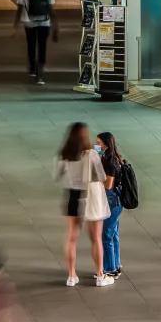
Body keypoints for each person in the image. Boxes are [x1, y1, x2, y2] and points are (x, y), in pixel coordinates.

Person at [54, 122, 110, 287]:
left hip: (72, 196)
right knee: (96, 239)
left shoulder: (64, 154)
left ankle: (72, 276)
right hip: (90, 198)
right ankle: (100, 275)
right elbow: (101, 176)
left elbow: (57, 176)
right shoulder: (91, 154)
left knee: (71, 238)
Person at [13, 0, 58, 85]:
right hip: (45, 22)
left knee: (31, 45)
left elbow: (19, 8)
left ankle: (32, 69)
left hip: (29, 22)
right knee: (42, 46)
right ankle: (40, 75)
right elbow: (51, 8)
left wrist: (15, 26)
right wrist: (56, 27)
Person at [96, 132, 125, 280]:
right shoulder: (113, 157)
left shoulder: (110, 161)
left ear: (106, 144)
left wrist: (95, 180)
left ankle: (110, 268)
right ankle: (116, 265)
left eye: (99, 143)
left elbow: (108, 185)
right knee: (113, 234)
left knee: (106, 235)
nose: (97, 146)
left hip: (112, 201)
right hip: (116, 201)